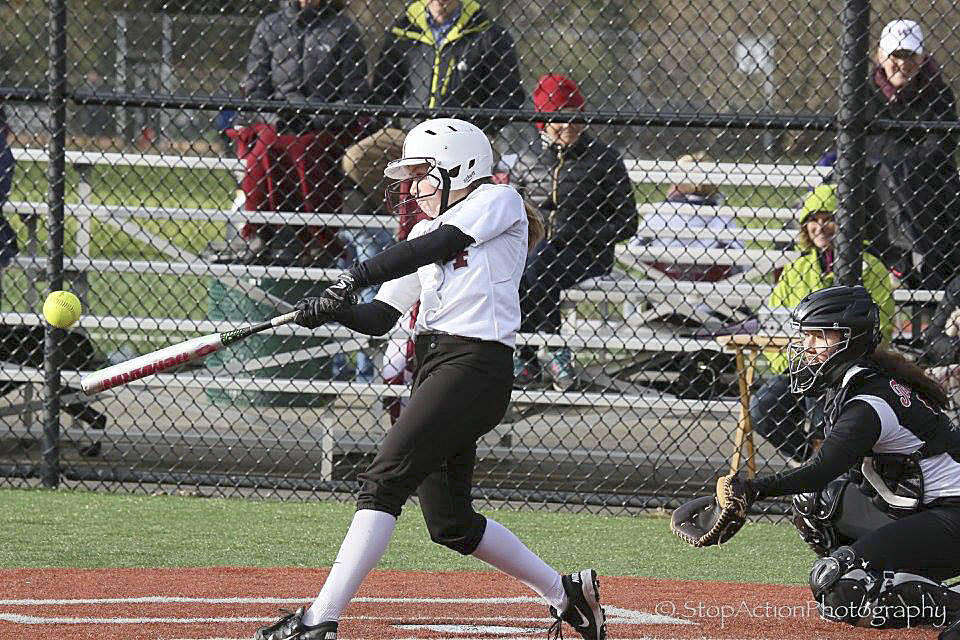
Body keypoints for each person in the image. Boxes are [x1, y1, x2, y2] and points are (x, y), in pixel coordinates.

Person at [252, 118, 606, 640]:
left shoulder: (497, 202)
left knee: (383, 481)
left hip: (477, 365)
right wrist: (332, 310)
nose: (413, 189)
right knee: (451, 524)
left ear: (458, 167)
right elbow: (380, 318)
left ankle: (319, 620)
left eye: (422, 176)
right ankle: (566, 592)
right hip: (437, 366)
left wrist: (355, 276)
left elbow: (428, 249)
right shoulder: (422, 233)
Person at [732, 285, 960, 639]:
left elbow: (820, 470)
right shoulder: (858, 382)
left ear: (849, 340)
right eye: (807, 336)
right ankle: (910, 581)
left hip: (952, 518)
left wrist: (750, 489)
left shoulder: (868, 402)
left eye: (820, 336)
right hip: (930, 511)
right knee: (817, 504)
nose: (808, 346)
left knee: (840, 588)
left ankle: (953, 607)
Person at [749, 185, 895, 466]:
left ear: (846, 222)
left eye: (828, 218)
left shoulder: (872, 267)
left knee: (820, 395)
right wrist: (793, 363)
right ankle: (811, 463)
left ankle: (829, 467)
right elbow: (773, 323)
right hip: (799, 363)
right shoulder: (794, 270)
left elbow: (883, 326)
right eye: (813, 219)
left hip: (851, 366)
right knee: (761, 408)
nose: (820, 226)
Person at [513, 74, 637, 390]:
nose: (568, 127)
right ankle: (540, 354)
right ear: (542, 121)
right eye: (559, 120)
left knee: (536, 266)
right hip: (537, 254)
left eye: (575, 119)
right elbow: (512, 209)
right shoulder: (527, 158)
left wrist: (577, 232)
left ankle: (536, 353)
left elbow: (627, 223)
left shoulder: (604, 158)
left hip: (587, 254)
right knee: (529, 267)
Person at [342, 0, 525, 213]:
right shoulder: (403, 30)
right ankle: (413, 211)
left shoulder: (489, 32)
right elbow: (384, 91)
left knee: (472, 172)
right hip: (408, 134)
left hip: (464, 138)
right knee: (356, 158)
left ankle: (452, 216)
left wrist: (468, 128)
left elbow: (509, 96)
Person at [234, 0, 368, 266]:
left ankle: (318, 237)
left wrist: (315, 119)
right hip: (277, 119)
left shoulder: (343, 28)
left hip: (326, 122)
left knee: (304, 148)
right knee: (266, 147)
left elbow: (355, 94)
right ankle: (261, 232)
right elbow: (255, 87)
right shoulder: (270, 25)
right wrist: (276, 116)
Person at [863, 19, 960, 289]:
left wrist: (898, 162)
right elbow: (861, 148)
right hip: (876, 186)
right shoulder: (863, 93)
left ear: (922, 57)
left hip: (924, 185)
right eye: (896, 55)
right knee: (883, 172)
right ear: (880, 56)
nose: (903, 64)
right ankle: (904, 256)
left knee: (901, 174)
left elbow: (939, 149)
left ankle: (905, 258)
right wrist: (899, 160)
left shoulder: (939, 94)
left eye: (910, 56)